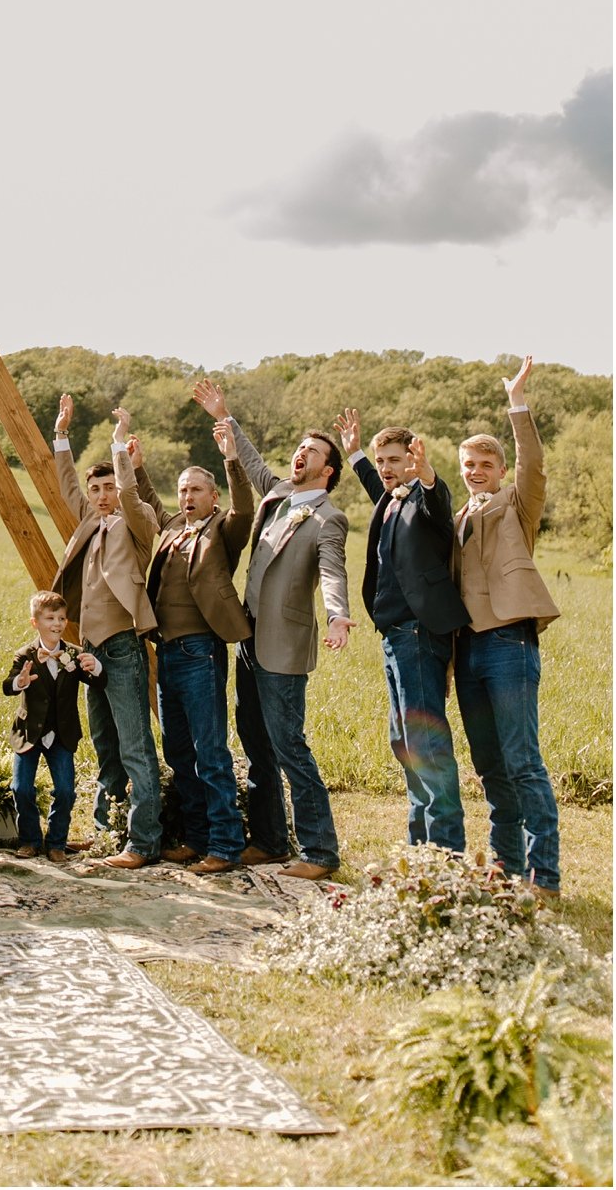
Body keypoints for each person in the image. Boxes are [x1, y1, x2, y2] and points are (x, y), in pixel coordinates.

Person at [192, 379, 351, 880]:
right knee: (255, 742)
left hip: (283, 646)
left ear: (327, 470)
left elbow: (332, 571)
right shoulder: (279, 493)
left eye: (312, 451)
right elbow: (255, 464)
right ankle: (270, 840)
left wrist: (338, 614)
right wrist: (225, 415)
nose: (301, 454)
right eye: (300, 447)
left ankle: (321, 853)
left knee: (289, 747)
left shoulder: (329, 517)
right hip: (249, 638)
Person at [337, 408, 469, 854]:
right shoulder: (390, 500)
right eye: (382, 461)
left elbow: (436, 498)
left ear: (412, 460)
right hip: (392, 635)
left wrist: (427, 472)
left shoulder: (426, 501)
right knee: (403, 740)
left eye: (395, 459)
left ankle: (446, 851)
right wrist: (355, 454)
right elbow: (379, 487)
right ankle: (420, 845)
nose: (387, 469)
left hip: (418, 631)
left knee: (425, 742)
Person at [452, 356, 561, 891]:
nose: (475, 473)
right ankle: (506, 865)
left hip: (509, 643)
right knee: (491, 766)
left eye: (484, 465)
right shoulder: (458, 519)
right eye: (467, 465)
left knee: (522, 761)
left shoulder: (518, 505)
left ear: (498, 470)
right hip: (467, 651)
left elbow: (532, 465)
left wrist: (517, 403)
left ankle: (545, 875)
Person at [52, 399, 164, 869]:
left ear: (119, 490)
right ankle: (106, 830)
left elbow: (130, 496)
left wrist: (120, 448)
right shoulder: (88, 521)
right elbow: (66, 486)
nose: (99, 495)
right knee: (104, 743)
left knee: (135, 744)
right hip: (89, 650)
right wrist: (61, 435)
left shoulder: (136, 525)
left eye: (107, 488)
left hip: (122, 646)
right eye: (95, 488)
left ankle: (143, 842)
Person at [143, 419, 254, 874]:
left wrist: (231, 458)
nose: (188, 498)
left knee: (210, 752)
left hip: (200, 652)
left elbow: (246, 506)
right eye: (183, 491)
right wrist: (137, 466)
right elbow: (148, 502)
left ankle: (226, 844)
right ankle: (196, 838)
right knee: (179, 753)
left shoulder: (223, 531)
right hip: (166, 653)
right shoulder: (172, 528)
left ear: (213, 498)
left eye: (196, 491)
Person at [1, 590, 100, 861]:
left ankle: (56, 842)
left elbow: (97, 682)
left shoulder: (74, 654)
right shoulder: (25, 655)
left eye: (61, 618)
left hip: (62, 732)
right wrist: (19, 682)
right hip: (29, 731)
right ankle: (29, 840)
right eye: (49, 618)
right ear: (35, 622)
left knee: (66, 790)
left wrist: (96, 667)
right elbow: (7, 685)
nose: (56, 624)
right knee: (21, 788)